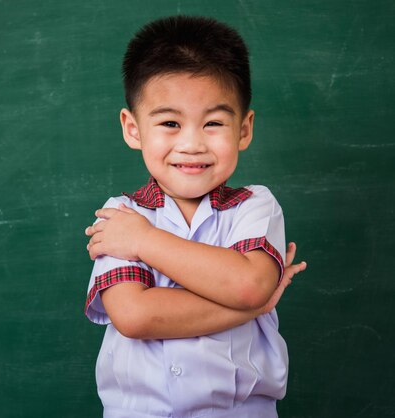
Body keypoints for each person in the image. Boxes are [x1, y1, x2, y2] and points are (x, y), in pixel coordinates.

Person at [83, 15, 307, 418]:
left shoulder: (254, 205)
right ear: (133, 129)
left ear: (244, 129)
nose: (191, 143)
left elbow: (248, 285)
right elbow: (136, 316)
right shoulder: (121, 216)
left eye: (214, 123)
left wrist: (145, 242)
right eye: (170, 123)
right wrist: (253, 308)